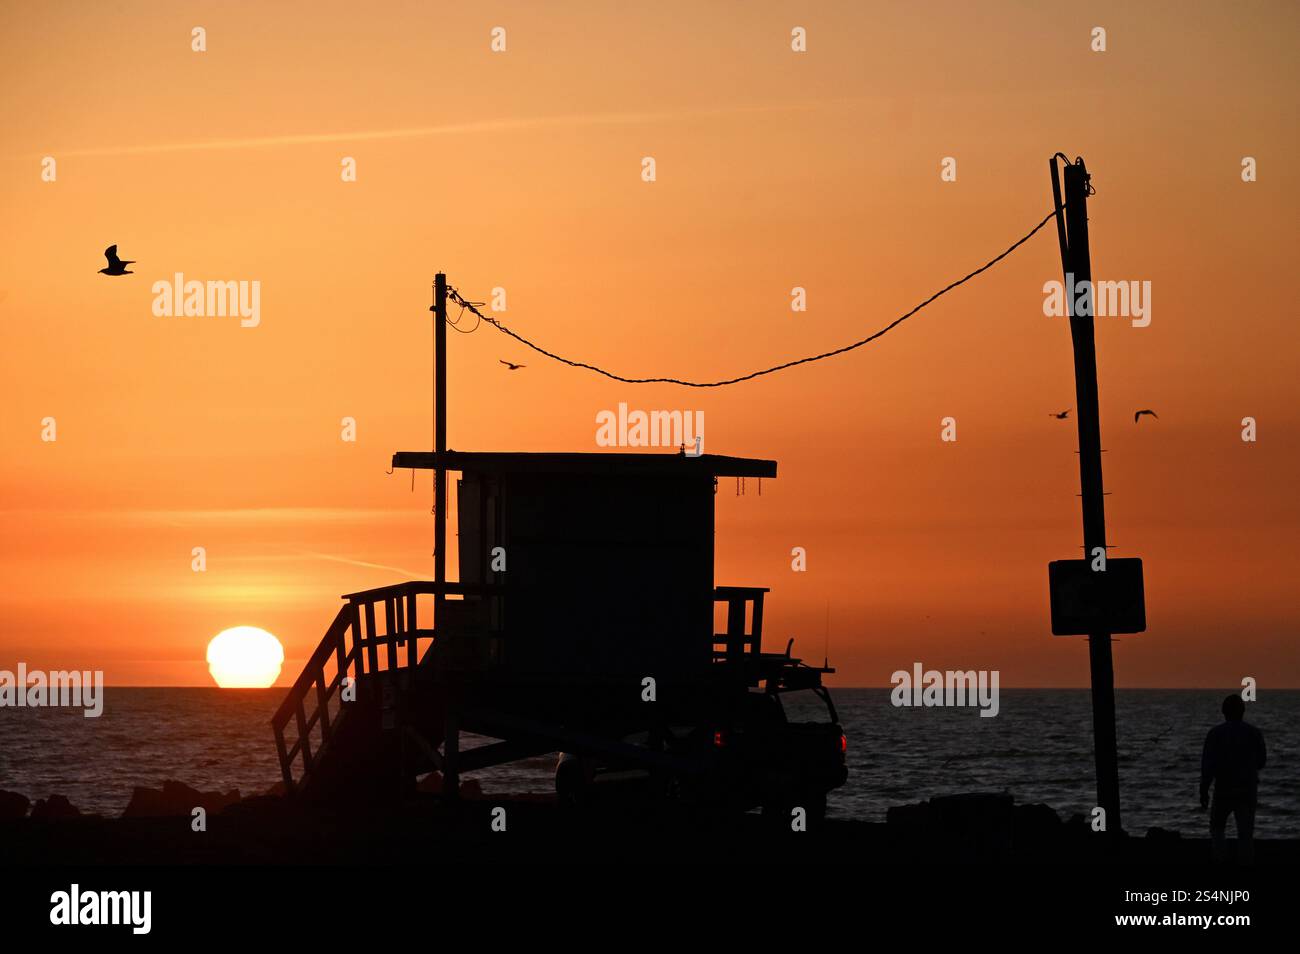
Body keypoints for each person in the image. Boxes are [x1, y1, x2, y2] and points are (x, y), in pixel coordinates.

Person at [1200, 693, 1266, 863]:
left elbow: (1208, 765)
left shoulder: (1215, 734)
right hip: (1247, 788)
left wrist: (1204, 789)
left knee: (1217, 827)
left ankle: (1221, 858)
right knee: (1245, 831)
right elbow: (1261, 762)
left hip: (1223, 788)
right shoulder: (1254, 733)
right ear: (1242, 711)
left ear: (1224, 712)